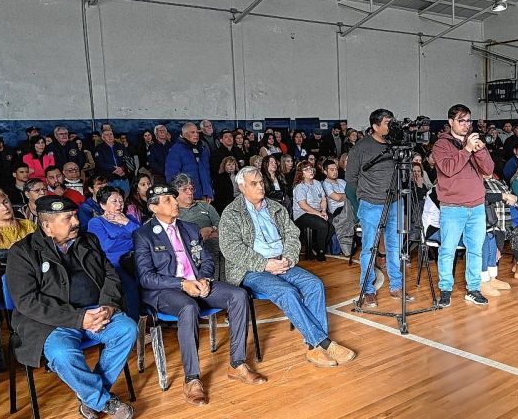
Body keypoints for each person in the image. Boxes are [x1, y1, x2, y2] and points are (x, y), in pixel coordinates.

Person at [5, 196, 139, 419]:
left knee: (127, 329)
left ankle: (89, 396)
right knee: (62, 353)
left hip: (96, 311)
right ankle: (102, 400)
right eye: (68, 218)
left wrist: (108, 306)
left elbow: (110, 275)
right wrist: (79, 319)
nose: (76, 221)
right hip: (51, 322)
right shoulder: (22, 252)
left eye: (75, 215)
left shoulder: (88, 240)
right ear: (47, 226)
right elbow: (27, 301)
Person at [134, 184, 264, 405]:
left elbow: (207, 260)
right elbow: (146, 278)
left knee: (239, 295)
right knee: (188, 307)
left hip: (197, 284)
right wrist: (182, 283)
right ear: (153, 208)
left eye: (174, 199)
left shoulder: (189, 228)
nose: (175, 202)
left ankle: (238, 364)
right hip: (165, 291)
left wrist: (204, 279)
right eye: (167, 200)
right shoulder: (144, 234)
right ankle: (192, 379)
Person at [218, 167, 355, 368]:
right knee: (287, 292)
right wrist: (264, 263)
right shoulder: (231, 213)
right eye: (253, 184)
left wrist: (288, 259)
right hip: (251, 269)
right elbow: (231, 249)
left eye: (261, 182)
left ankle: (313, 347)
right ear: (242, 187)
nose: (260, 187)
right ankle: (323, 343)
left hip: (282, 262)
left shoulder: (275, 207)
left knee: (314, 284)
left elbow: (292, 234)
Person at [430, 104, 495, 307]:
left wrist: (480, 150)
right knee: (448, 250)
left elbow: (489, 170)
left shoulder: (473, 143)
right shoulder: (441, 145)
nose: (466, 125)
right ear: (451, 122)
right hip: (452, 207)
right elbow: (449, 169)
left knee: (475, 249)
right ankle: (446, 289)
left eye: (468, 121)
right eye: (461, 120)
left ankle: (473, 289)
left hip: (476, 206)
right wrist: (466, 150)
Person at [346, 109, 407, 308]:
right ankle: (368, 290)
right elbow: (351, 180)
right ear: (375, 126)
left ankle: (396, 286)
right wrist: (362, 201)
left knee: (394, 247)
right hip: (371, 204)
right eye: (388, 123)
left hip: (395, 202)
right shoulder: (361, 148)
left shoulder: (395, 145)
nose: (392, 127)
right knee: (369, 249)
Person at [86, 186, 141, 319]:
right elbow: (107, 246)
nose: (119, 205)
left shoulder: (127, 218)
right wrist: (132, 241)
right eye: (114, 201)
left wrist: (126, 222)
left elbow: (145, 238)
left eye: (121, 201)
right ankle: (135, 322)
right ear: (103, 205)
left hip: (137, 259)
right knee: (129, 287)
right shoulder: (96, 222)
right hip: (115, 264)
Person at [170, 173, 220, 262]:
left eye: (191, 189)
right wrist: (200, 235)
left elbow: (221, 226)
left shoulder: (205, 206)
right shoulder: (172, 212)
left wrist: (210, 230)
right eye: (185, 189)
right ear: (175, 192)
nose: (190, 192)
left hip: (215, 240)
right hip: (189, 249)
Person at [291, 161, 332, 262]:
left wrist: (323, 211)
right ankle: (321, 252)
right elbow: (303, 206)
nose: (310, 171)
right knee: (323, 224)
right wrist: (319, 214)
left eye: (311, 168)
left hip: (318, 211)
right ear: (302, 173)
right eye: (307, 169)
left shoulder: (317, 183)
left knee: (334, 222)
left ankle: (316, 246)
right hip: (302, 214)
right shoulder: (300, 187)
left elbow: (323, 199)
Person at [165, 122, 214, 202]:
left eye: (197, 132)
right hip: (186, 197)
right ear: (184, 134)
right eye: (192, 132)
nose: (196, 135)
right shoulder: (175, 150)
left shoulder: (202, 148)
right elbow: (172, 177)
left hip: (203, 197)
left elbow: (206, 173)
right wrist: (179, 196)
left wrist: (208, 193)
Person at [320, 158, 354, 256]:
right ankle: (346, 246)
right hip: (337, 210)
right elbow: (337, 197)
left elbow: (353, 193)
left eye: (336, 169)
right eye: (332, 170)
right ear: (325, 171)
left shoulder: (342, 181)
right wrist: (347, 195)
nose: (335, 172)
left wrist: (347, 195)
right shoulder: (325, 184)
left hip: (348, 206)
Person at [94, 124, 133, 193]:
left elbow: (127, 160)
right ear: (103, 138)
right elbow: (100, 163)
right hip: (109, 179)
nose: (109, 136)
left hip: (122, 177)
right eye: (107, 135)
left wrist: (122, 168)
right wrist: (114, 169)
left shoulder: (120, 146)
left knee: (125, 196)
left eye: (111, 134)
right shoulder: (99, 148)